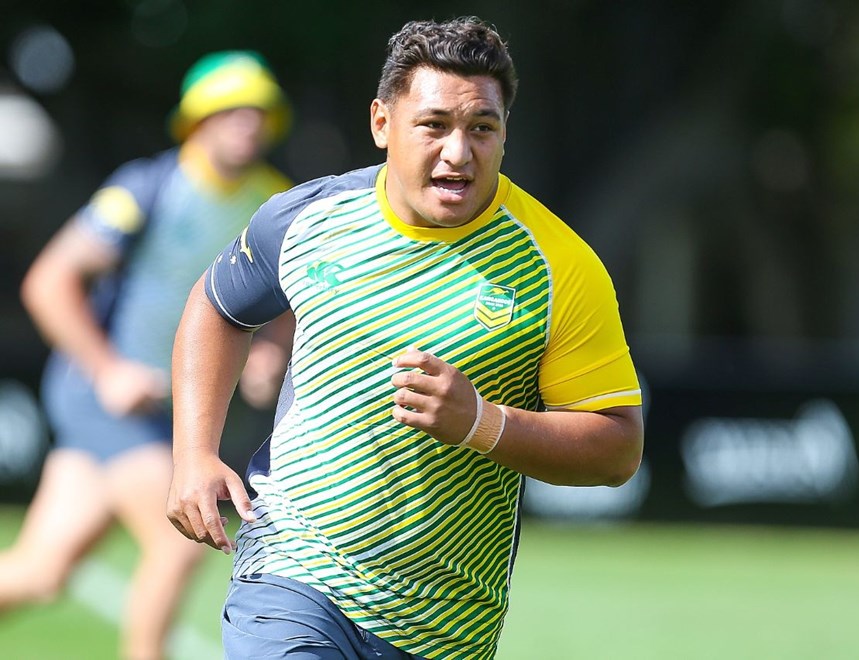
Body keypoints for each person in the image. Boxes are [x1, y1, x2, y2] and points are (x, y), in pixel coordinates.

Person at [167, 16, 644, 660]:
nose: (458, 152)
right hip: (292, 569)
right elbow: (217, 306)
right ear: (382, 123)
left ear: (505, 133)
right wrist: (193, 453)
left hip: (445, 623)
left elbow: (617, 448)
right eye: (434, 125)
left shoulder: (562, 266)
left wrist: (481, 423)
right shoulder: (305, 219)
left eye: (482, 128)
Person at [6, 50, 293, 660]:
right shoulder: (147, 188)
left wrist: (269, 351)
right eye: (231, 110)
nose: (248, 123)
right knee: (183, 536)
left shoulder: (274, 202)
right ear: (196, 120)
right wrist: (109, 370)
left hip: (162, 410)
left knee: (41, 571)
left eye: (259, 111)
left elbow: (291, 294)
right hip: (100, 397)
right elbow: (49, 282)